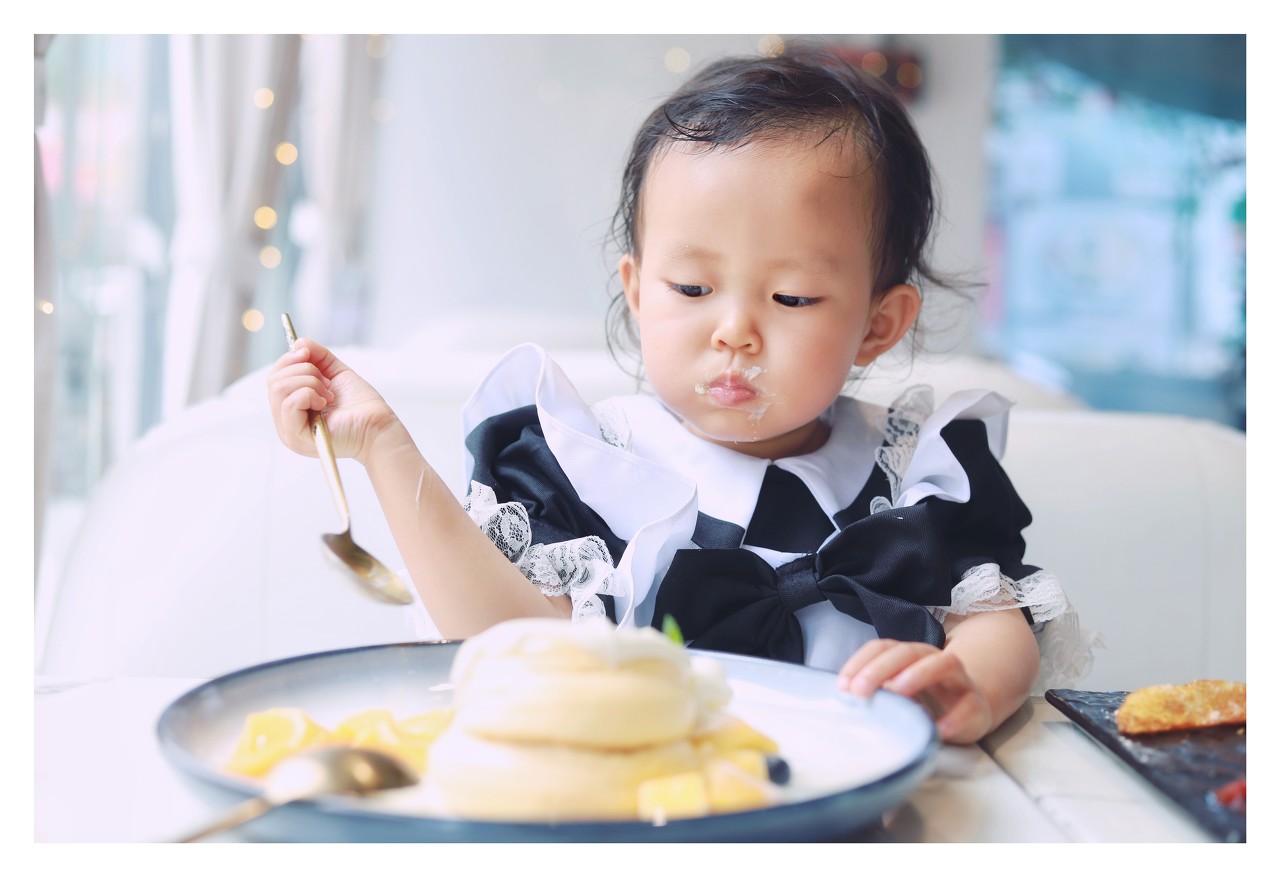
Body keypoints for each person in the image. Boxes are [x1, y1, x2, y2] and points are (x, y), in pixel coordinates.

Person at [268, 45, 1086, 744]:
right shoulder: (592, 465)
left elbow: (994, 618)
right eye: (692, 287)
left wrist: (970, 686)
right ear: (635, 289)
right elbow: (508, 639)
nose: (735, 331)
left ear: (879, 323)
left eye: (792, 298)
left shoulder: (915, 471)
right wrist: (380, 442)